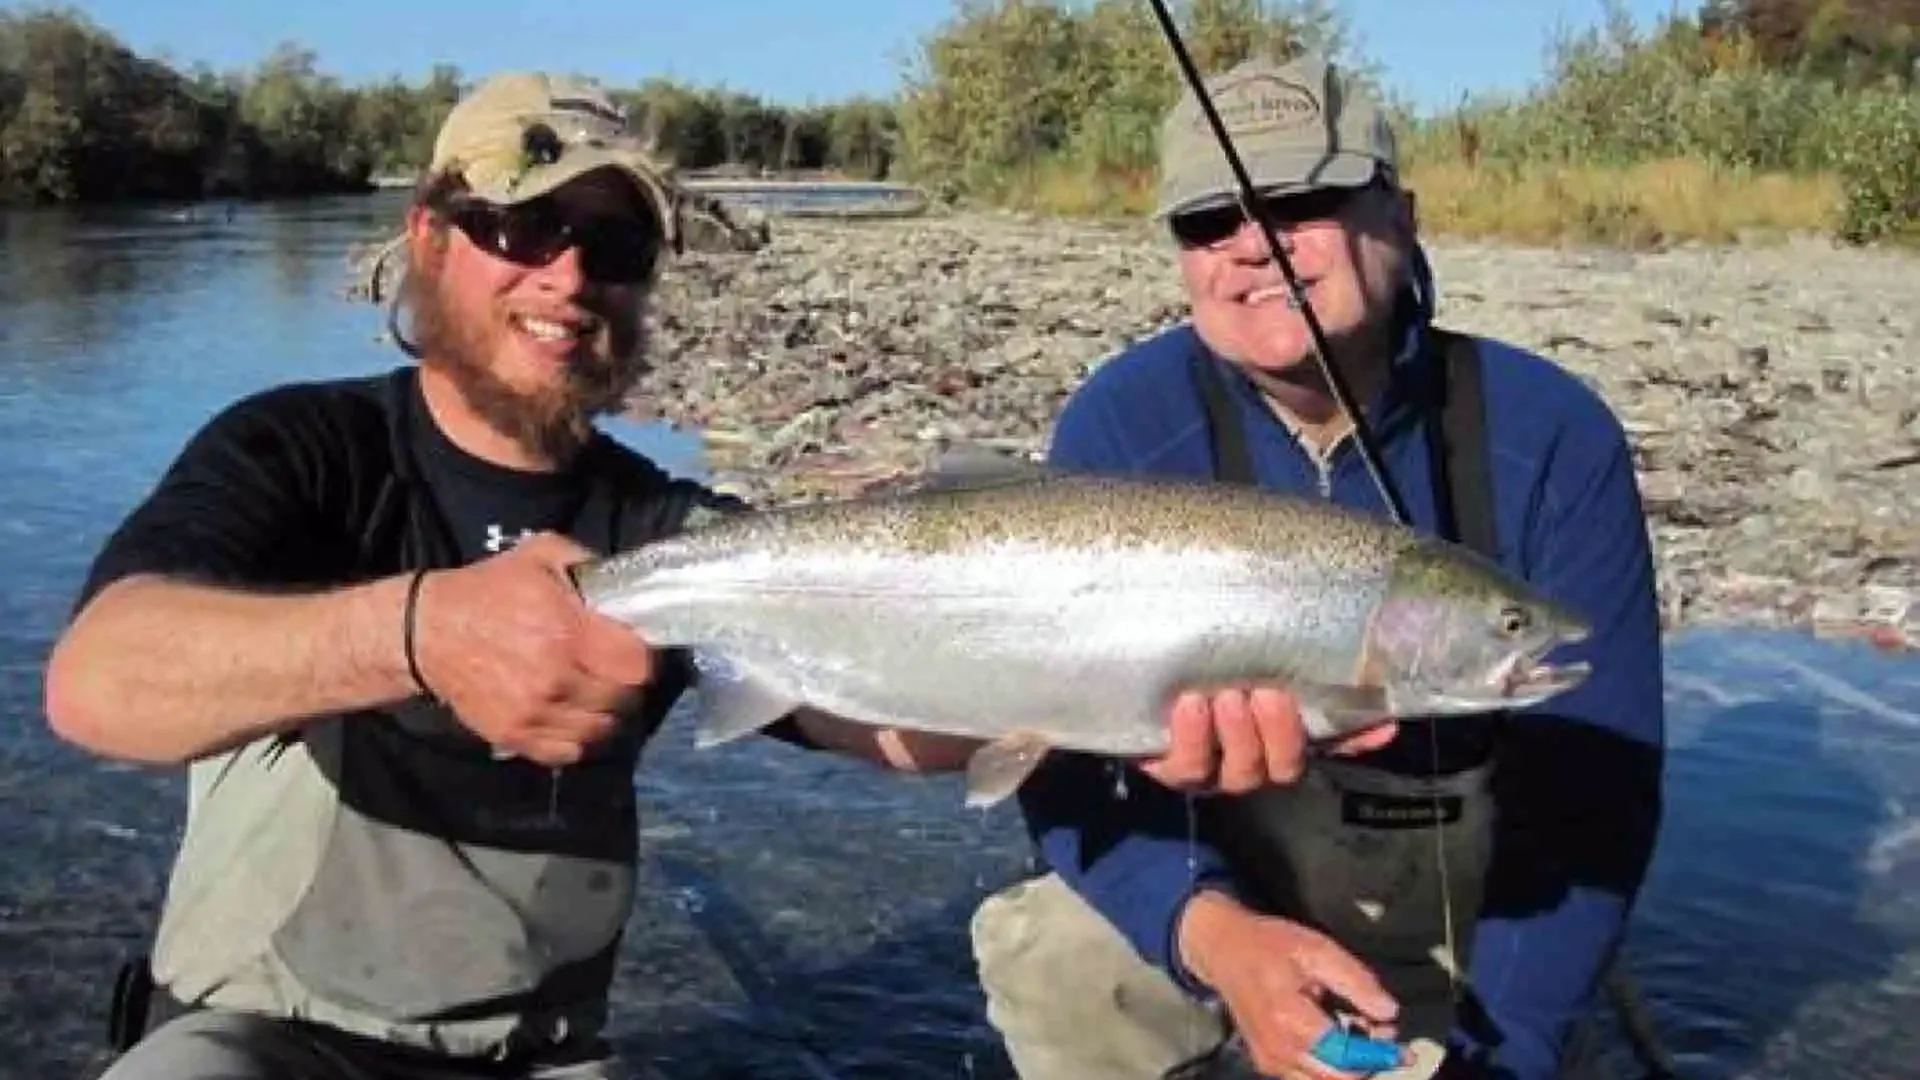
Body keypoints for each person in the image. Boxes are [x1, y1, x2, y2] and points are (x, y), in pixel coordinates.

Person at [40, 71, 1353, 1080]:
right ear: (431, 237)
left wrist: (1126, 692)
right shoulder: (300, 451)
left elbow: (885, 721)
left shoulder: (669, 532)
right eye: (519, 226)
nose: (568, 277)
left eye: (612, 248)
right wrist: (421, 631)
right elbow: (99, 685)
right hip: (254, 1046)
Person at [967, 53, 1668, 1080]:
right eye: (1210, 222)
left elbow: (1596, 803)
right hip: (1203, 893)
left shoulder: (1551, 433)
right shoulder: (1125, 419)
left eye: (1301, 200)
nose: (1254, 244)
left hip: (1464, 925)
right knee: (1064, 960)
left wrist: (1508, 1052)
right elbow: (1070, 779)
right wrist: (1217, 938)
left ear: (1402, 212)